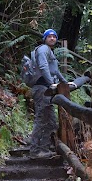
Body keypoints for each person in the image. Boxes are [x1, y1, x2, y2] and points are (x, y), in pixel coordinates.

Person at [29, 29, 68, 160]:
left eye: (54, 37)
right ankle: (35, 150)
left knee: (51, 122)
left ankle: (44, 149)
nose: (52, 38)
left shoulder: (49, 51)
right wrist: (51, 83)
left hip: (46, 89)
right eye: (49, 36)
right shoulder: (43, 50)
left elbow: (55, 70)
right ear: (44, 38)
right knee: (41, 119)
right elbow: (44, 66)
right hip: (42, 89)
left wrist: (65, 83)